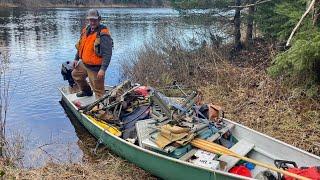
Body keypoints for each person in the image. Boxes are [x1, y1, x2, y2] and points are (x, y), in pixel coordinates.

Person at [72, 9, 113, 99]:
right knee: (75, 75)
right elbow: (81, 46)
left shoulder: (103, 34)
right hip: (84, 64)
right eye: (90, 20)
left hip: (96, 68)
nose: (92, 22)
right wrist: (76, 58)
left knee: (99, 92)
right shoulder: (86, 30)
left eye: (94, 20)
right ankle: (86, 92)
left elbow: (108, 54)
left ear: (99, 19)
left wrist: (103, 69)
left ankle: (101, 110)